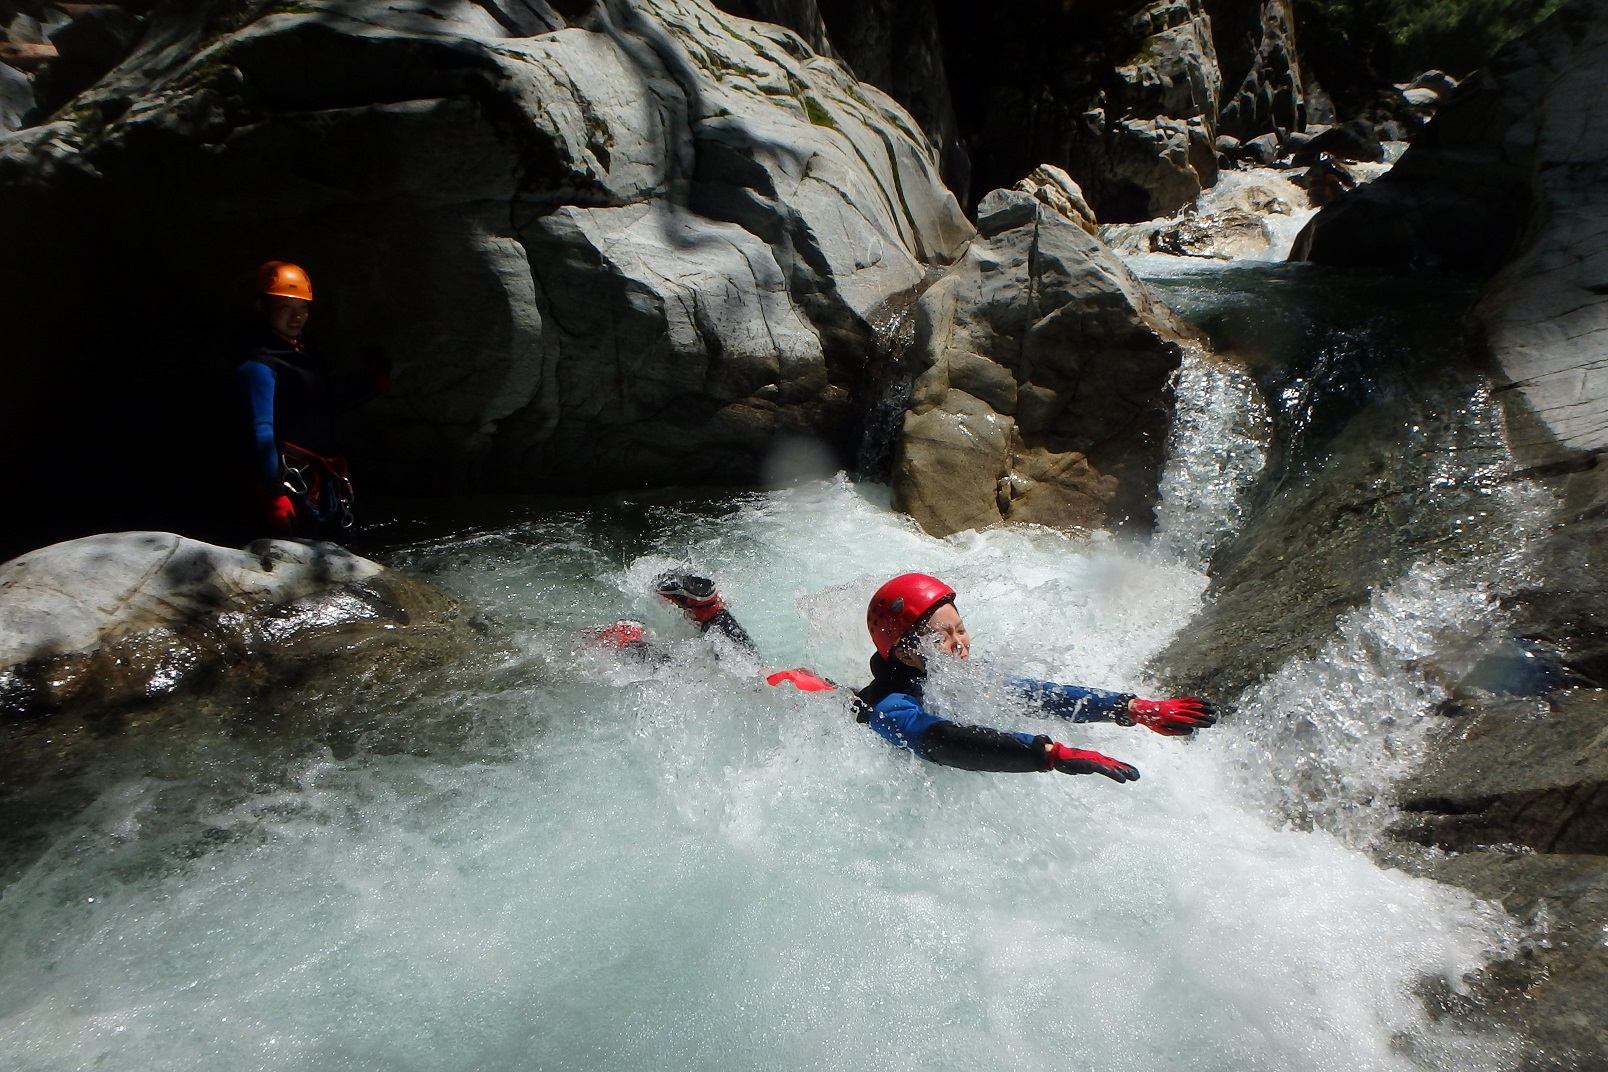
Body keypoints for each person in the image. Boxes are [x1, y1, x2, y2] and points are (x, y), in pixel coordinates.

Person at [854, 573, 1217, 782]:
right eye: (941, 638)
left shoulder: (957, 674)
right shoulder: (890, 706)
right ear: (904, 653)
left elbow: (1037, 695)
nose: (960, 644)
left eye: (960, 630)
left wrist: (1130, 708)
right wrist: (1047, 754)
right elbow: (943, 741)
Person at [235, 261, 387, 538]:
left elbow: (324, 405)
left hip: (321, 479)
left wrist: (373, 386)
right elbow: (261, 432)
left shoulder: (306, 352)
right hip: (290, 484)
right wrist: (273, 494)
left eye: (302, 308)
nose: (297, 316)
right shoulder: (259, 364)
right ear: (262, 307)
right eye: (286, 307)